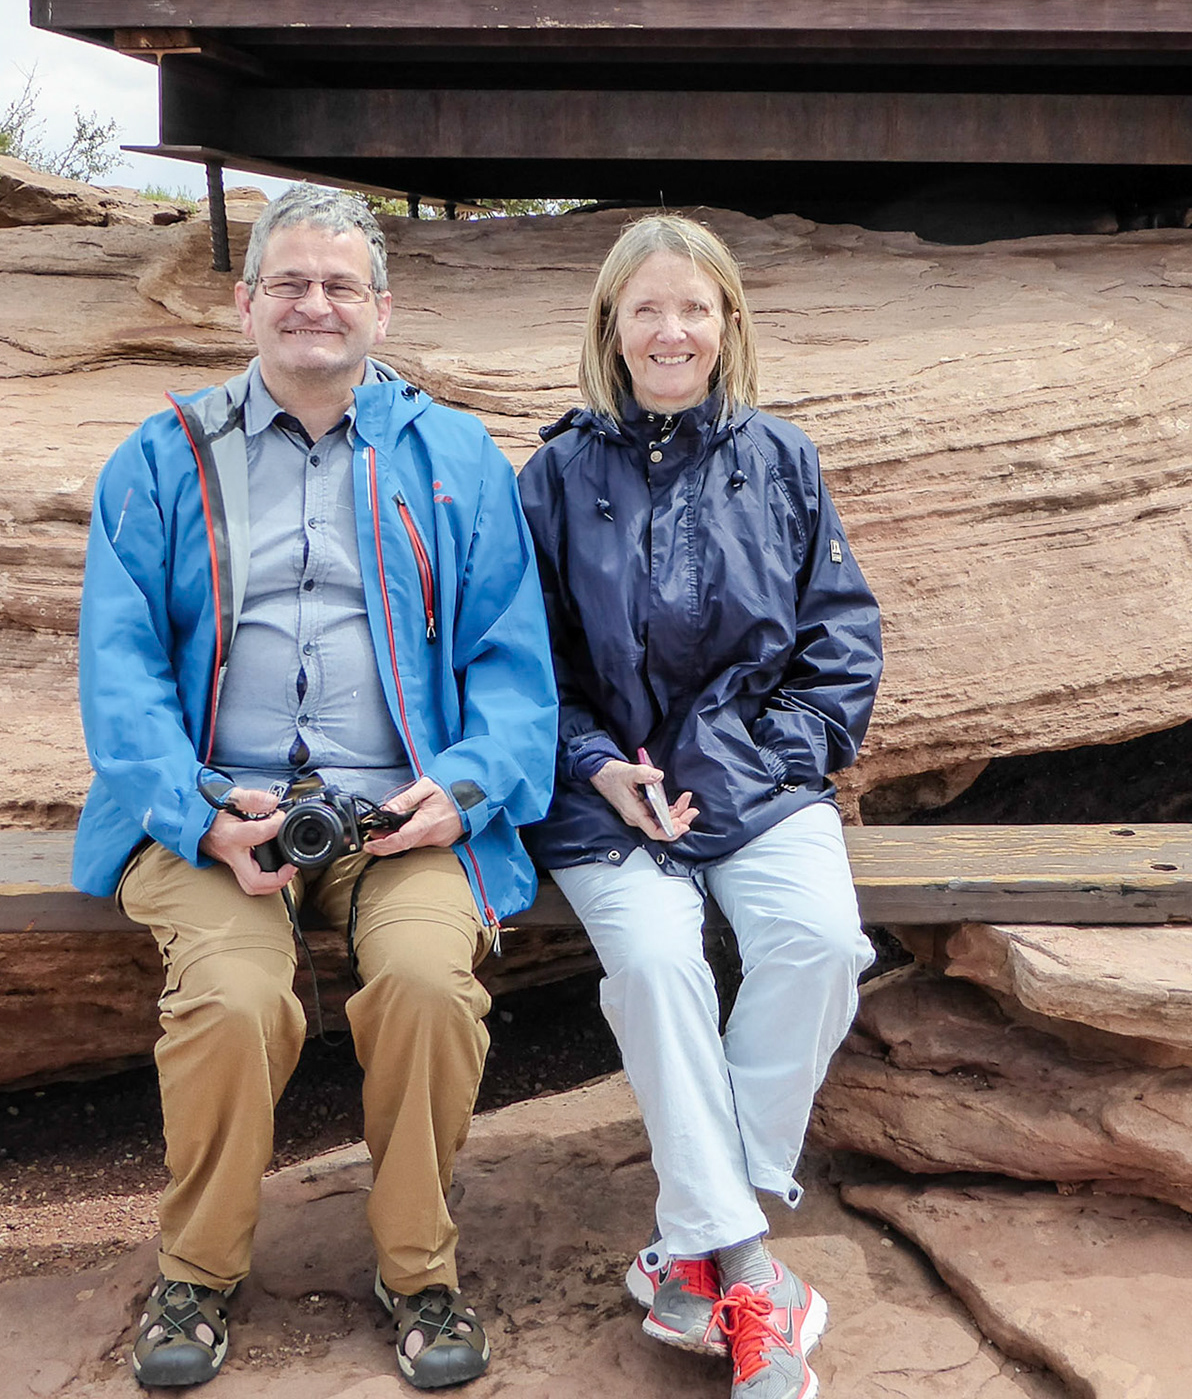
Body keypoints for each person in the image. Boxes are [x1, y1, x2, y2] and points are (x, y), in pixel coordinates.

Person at [72, 185, 557, 1392]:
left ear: (381, 312)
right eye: (290, 282)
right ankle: (197, 1272)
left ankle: (418, 1270)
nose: (315, 303)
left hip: (401, 813)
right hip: (217, 815)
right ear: (246, 305)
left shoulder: (452, 455)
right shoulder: (162, 455)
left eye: (341, 284)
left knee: (430, 986)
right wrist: (193, 814)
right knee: (235, 1002)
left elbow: (512, 659)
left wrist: (466, 787)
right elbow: (118, 669)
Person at [516, 214, 881, 1399]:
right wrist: (595, 766)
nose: (671, 331)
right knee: (663, 964)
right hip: (600, 799)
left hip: (756, 781)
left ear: (729, 325)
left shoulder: (782, 461)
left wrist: (741, 764)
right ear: (610, 332)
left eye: (694, 309)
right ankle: (748, 1273)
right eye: (646, 311)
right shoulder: (558, 476)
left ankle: (688, 1246)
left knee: (820, 942)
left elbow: (838, 649)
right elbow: (522, 665)